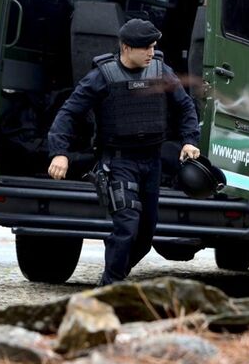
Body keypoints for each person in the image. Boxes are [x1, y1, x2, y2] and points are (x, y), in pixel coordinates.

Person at [47, 18, 200, 286]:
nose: (151, 53)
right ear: (126, 48)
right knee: (127, 225)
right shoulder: (102, 76)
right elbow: (69, 112)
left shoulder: (161, 71)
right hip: (118, 162)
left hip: (152, 162)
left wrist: (189, 140)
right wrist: (60, 152)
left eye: (153, 47)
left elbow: (185, 107)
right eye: (145, 48)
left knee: (144, 236)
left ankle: (113, 279)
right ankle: (110, 288)